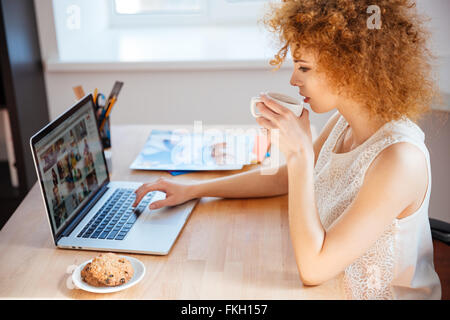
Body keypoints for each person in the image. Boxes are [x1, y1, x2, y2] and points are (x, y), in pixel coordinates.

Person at [132, 0, 441, 299]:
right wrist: (193, 189)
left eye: (304, 68)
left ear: (352, 68)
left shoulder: (400, 160)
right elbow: (280, 180)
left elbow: (314, 268)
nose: (293, 79)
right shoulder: (343, 123)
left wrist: (299, 154)